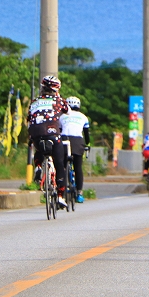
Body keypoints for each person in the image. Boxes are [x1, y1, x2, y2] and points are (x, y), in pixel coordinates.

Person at [28, 75, 70, 209]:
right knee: (59, 163)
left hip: (35, 132)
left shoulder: (34, 102)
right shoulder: (58, 101)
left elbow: (29, 118)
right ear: (56, 89)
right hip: (52, 133)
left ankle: (39, 166)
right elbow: (68, 111)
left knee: (38, 145)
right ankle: (60, 196)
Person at [59, 96, 90, 203]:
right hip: (78, 141)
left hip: (64, 140)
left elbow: (59, 131)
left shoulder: (62, 116)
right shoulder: (83, 117)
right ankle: (79, 193)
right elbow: (86, 134)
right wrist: (88, 144)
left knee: (61, 166)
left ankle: (61, 192)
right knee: (78, 167)